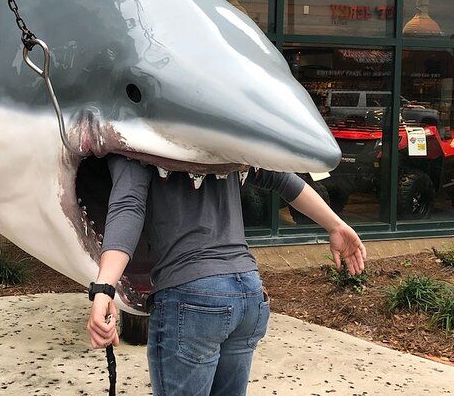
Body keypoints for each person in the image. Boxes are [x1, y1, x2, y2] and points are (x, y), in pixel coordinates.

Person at [86, 154, 367, 396]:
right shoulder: (225, 134)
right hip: (247, 291)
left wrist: (104, 288)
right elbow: (283, 179)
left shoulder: (135, 137)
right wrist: (335, 225)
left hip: (192, 295)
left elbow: (128, 206)